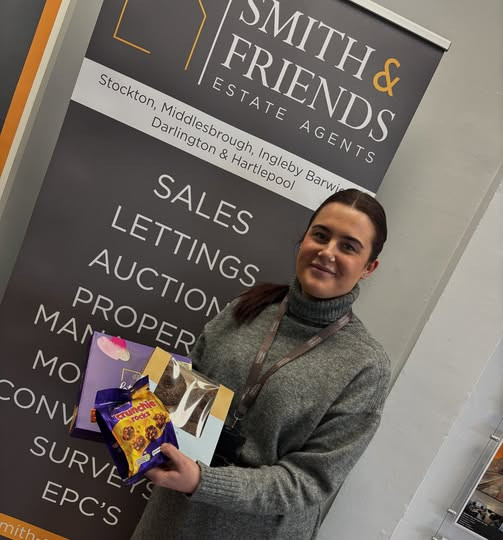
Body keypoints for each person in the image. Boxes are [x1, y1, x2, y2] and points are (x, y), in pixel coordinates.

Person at [131, 188, 391, 539]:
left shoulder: (365, 366)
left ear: (369, 267)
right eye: (320, 235)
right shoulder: (248, 306)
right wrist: (124, 416)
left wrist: (205, 481)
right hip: (170, 521)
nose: (327, 252)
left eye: (348, 246)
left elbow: (309, 481)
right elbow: (180, 401)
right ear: (303, 239)